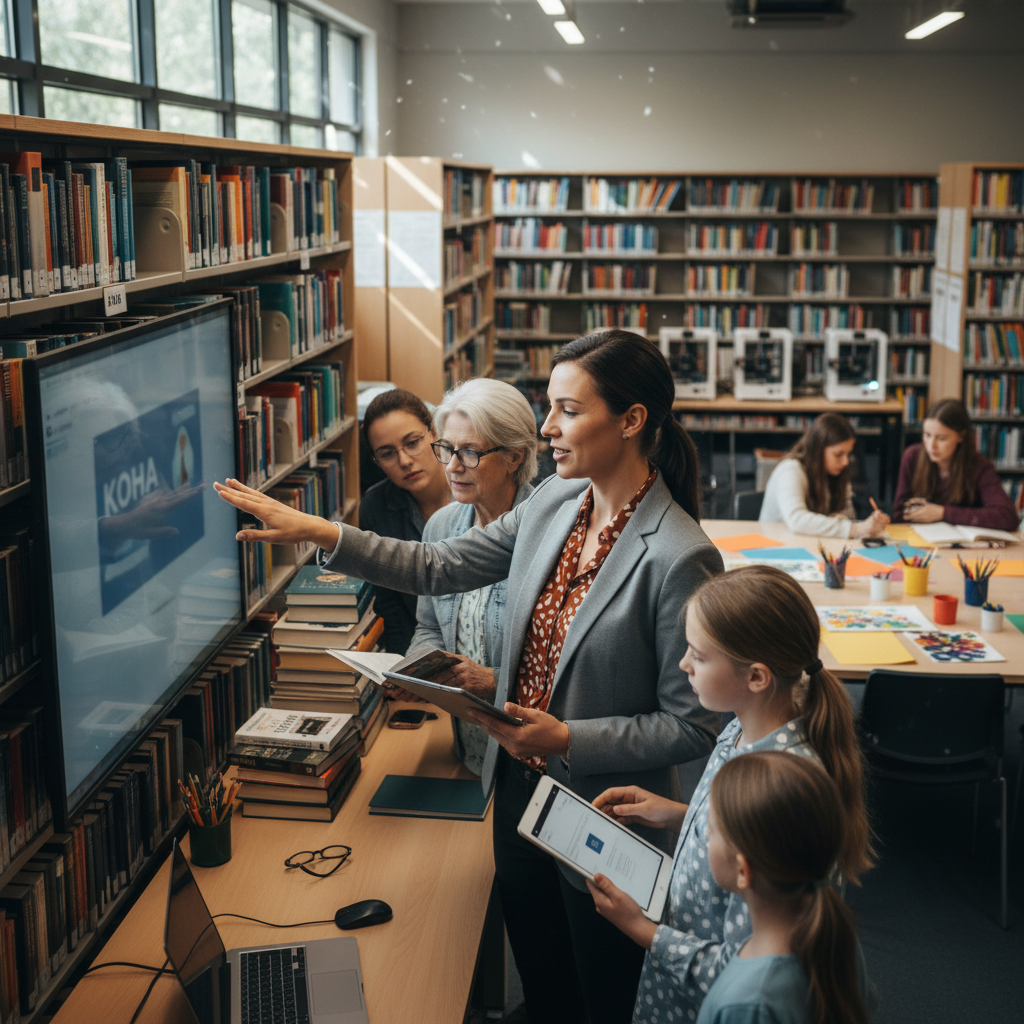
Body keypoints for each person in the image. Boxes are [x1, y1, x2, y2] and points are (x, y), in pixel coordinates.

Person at [214, 329, 724, 1024]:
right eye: (549, 408)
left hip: (602, 814)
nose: (547, 428)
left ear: (632, 420)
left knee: (601, 994)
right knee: (544, 981)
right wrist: (321, 531)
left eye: (569, 411)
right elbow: (436, 567)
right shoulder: (552, 505)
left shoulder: (678, 555)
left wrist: (569, 735)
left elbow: (693, 724)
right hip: (516, 793)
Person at [585, 564, 871, 1024]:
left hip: (706, 997)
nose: (683, 665)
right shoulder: (743, 725)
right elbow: (741, 826)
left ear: (756, 677)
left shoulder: (783, 786)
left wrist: (643, 931)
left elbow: (741, 962)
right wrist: (683, 815)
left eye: (698, 656)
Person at [408, 377, 538, 775]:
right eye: (447, 448)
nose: (450, 467)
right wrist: (415, 669)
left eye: (468, 452)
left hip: (529, 756)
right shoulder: (441, 526)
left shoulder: (547, 535)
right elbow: (428, 624)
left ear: (515, 457)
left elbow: (569, 666)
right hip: (466, 751)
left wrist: (493, 680)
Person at [696, 752, 870, 1024]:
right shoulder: (837, 934)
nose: (707, 838)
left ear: (743, 871)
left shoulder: (750, 1005)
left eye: (711, 832)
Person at [358, 388, 451, 653]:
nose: (405, 461)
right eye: (387, 454)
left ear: (433, 433)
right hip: (421, 652)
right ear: (377, 462)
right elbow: (389, 604)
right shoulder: (376, 507)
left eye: (412, 442)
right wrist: (409, 673)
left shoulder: (473, 483)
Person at [892, 398, 1020, 532]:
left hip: (964, 547)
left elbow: (1007, 517)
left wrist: (942, 513)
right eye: (927, 435)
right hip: (919, 542)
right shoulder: (912, 456)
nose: (931, 445)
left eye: (941, 438)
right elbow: (899, 516)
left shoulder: (979, 466)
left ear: (961, 436)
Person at [758, 413, 889, 538]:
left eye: (848, 454)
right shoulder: (790, 470)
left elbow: (848, 514)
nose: (845, 462)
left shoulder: (835, 470)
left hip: (809, 545)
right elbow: (797, 520)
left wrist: (866, 524)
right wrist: (855, 529)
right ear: (818, 450)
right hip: (777, 548)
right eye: (838, 455)